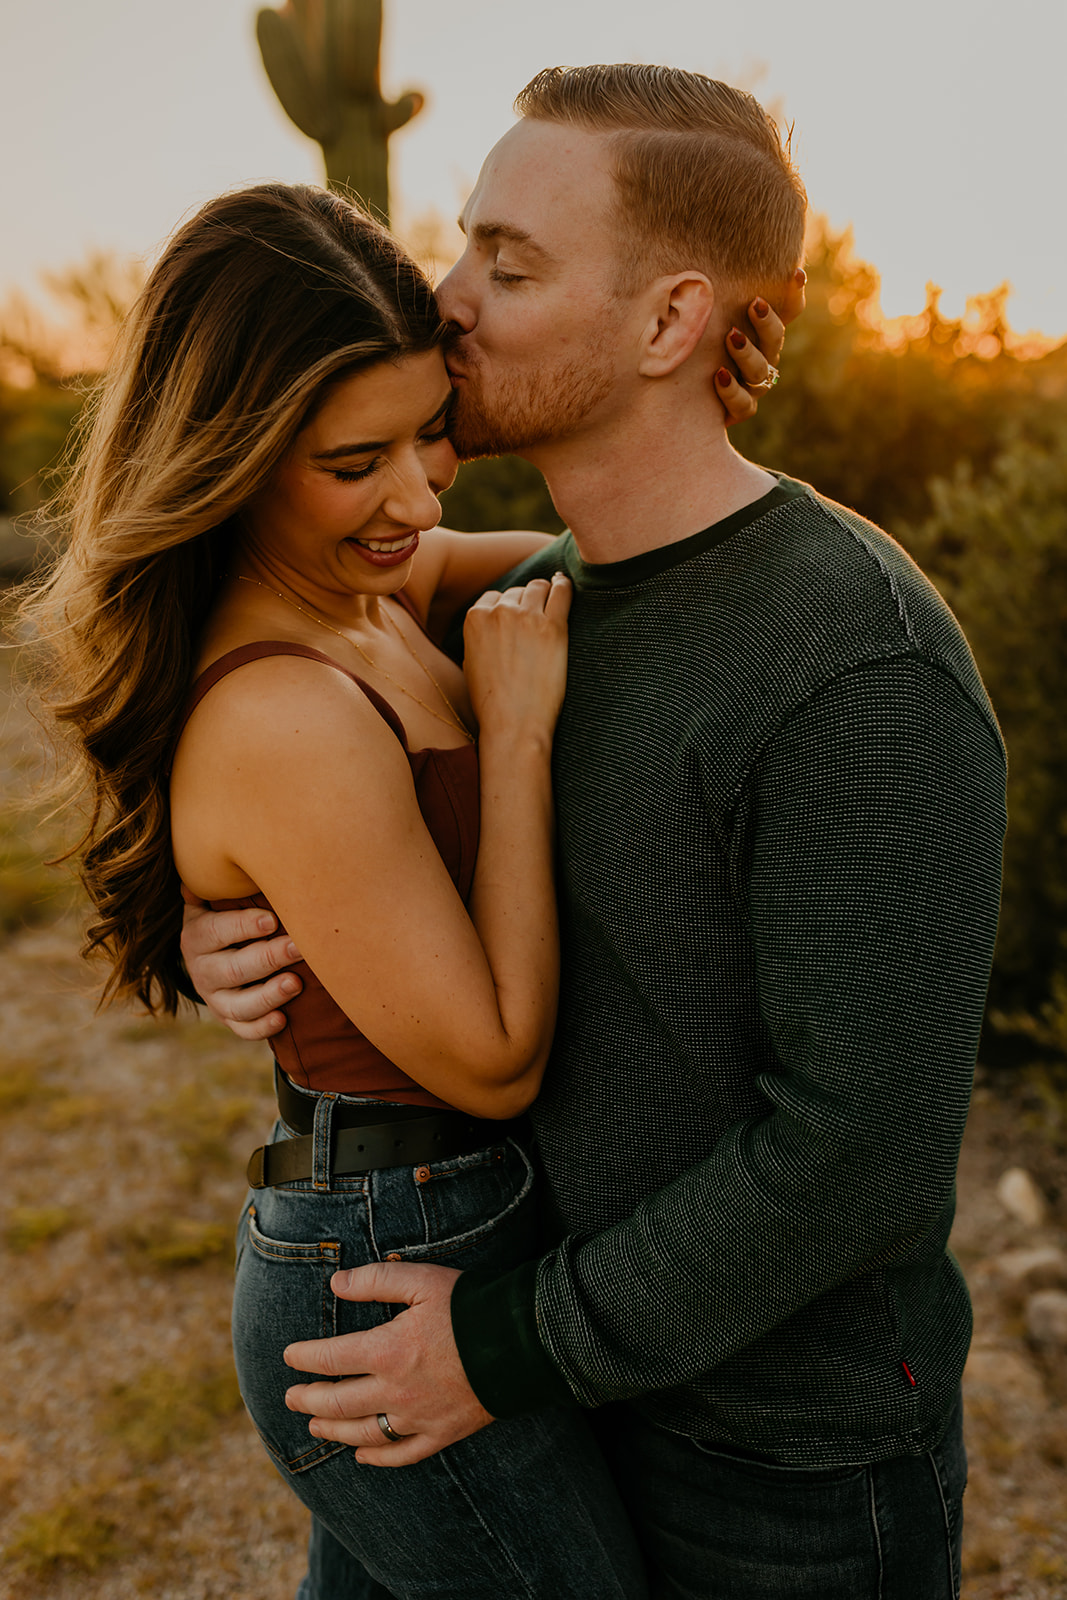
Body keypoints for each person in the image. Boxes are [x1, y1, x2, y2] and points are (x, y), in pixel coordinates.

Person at [186, 65, 1008, 1599]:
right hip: (529, 1381)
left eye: (509, 267)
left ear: (669, 324)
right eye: (461, 247)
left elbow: (862, 1151)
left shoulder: (851, 656)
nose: (444, 303)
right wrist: (224, 916)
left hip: (773, 1459)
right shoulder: (531, 601)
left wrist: (510, 1347)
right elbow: (268, 640)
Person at [28, 179, 783, 1599]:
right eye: (352, 460)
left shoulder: (375, 590)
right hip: (383, 1256)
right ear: (231, 453)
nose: (420, 499)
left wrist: (683, 413)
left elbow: (637, 572)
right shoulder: (283, 713)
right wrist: (514, 731)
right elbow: (495, 1058)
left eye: (430, 438)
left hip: (458, 1219)